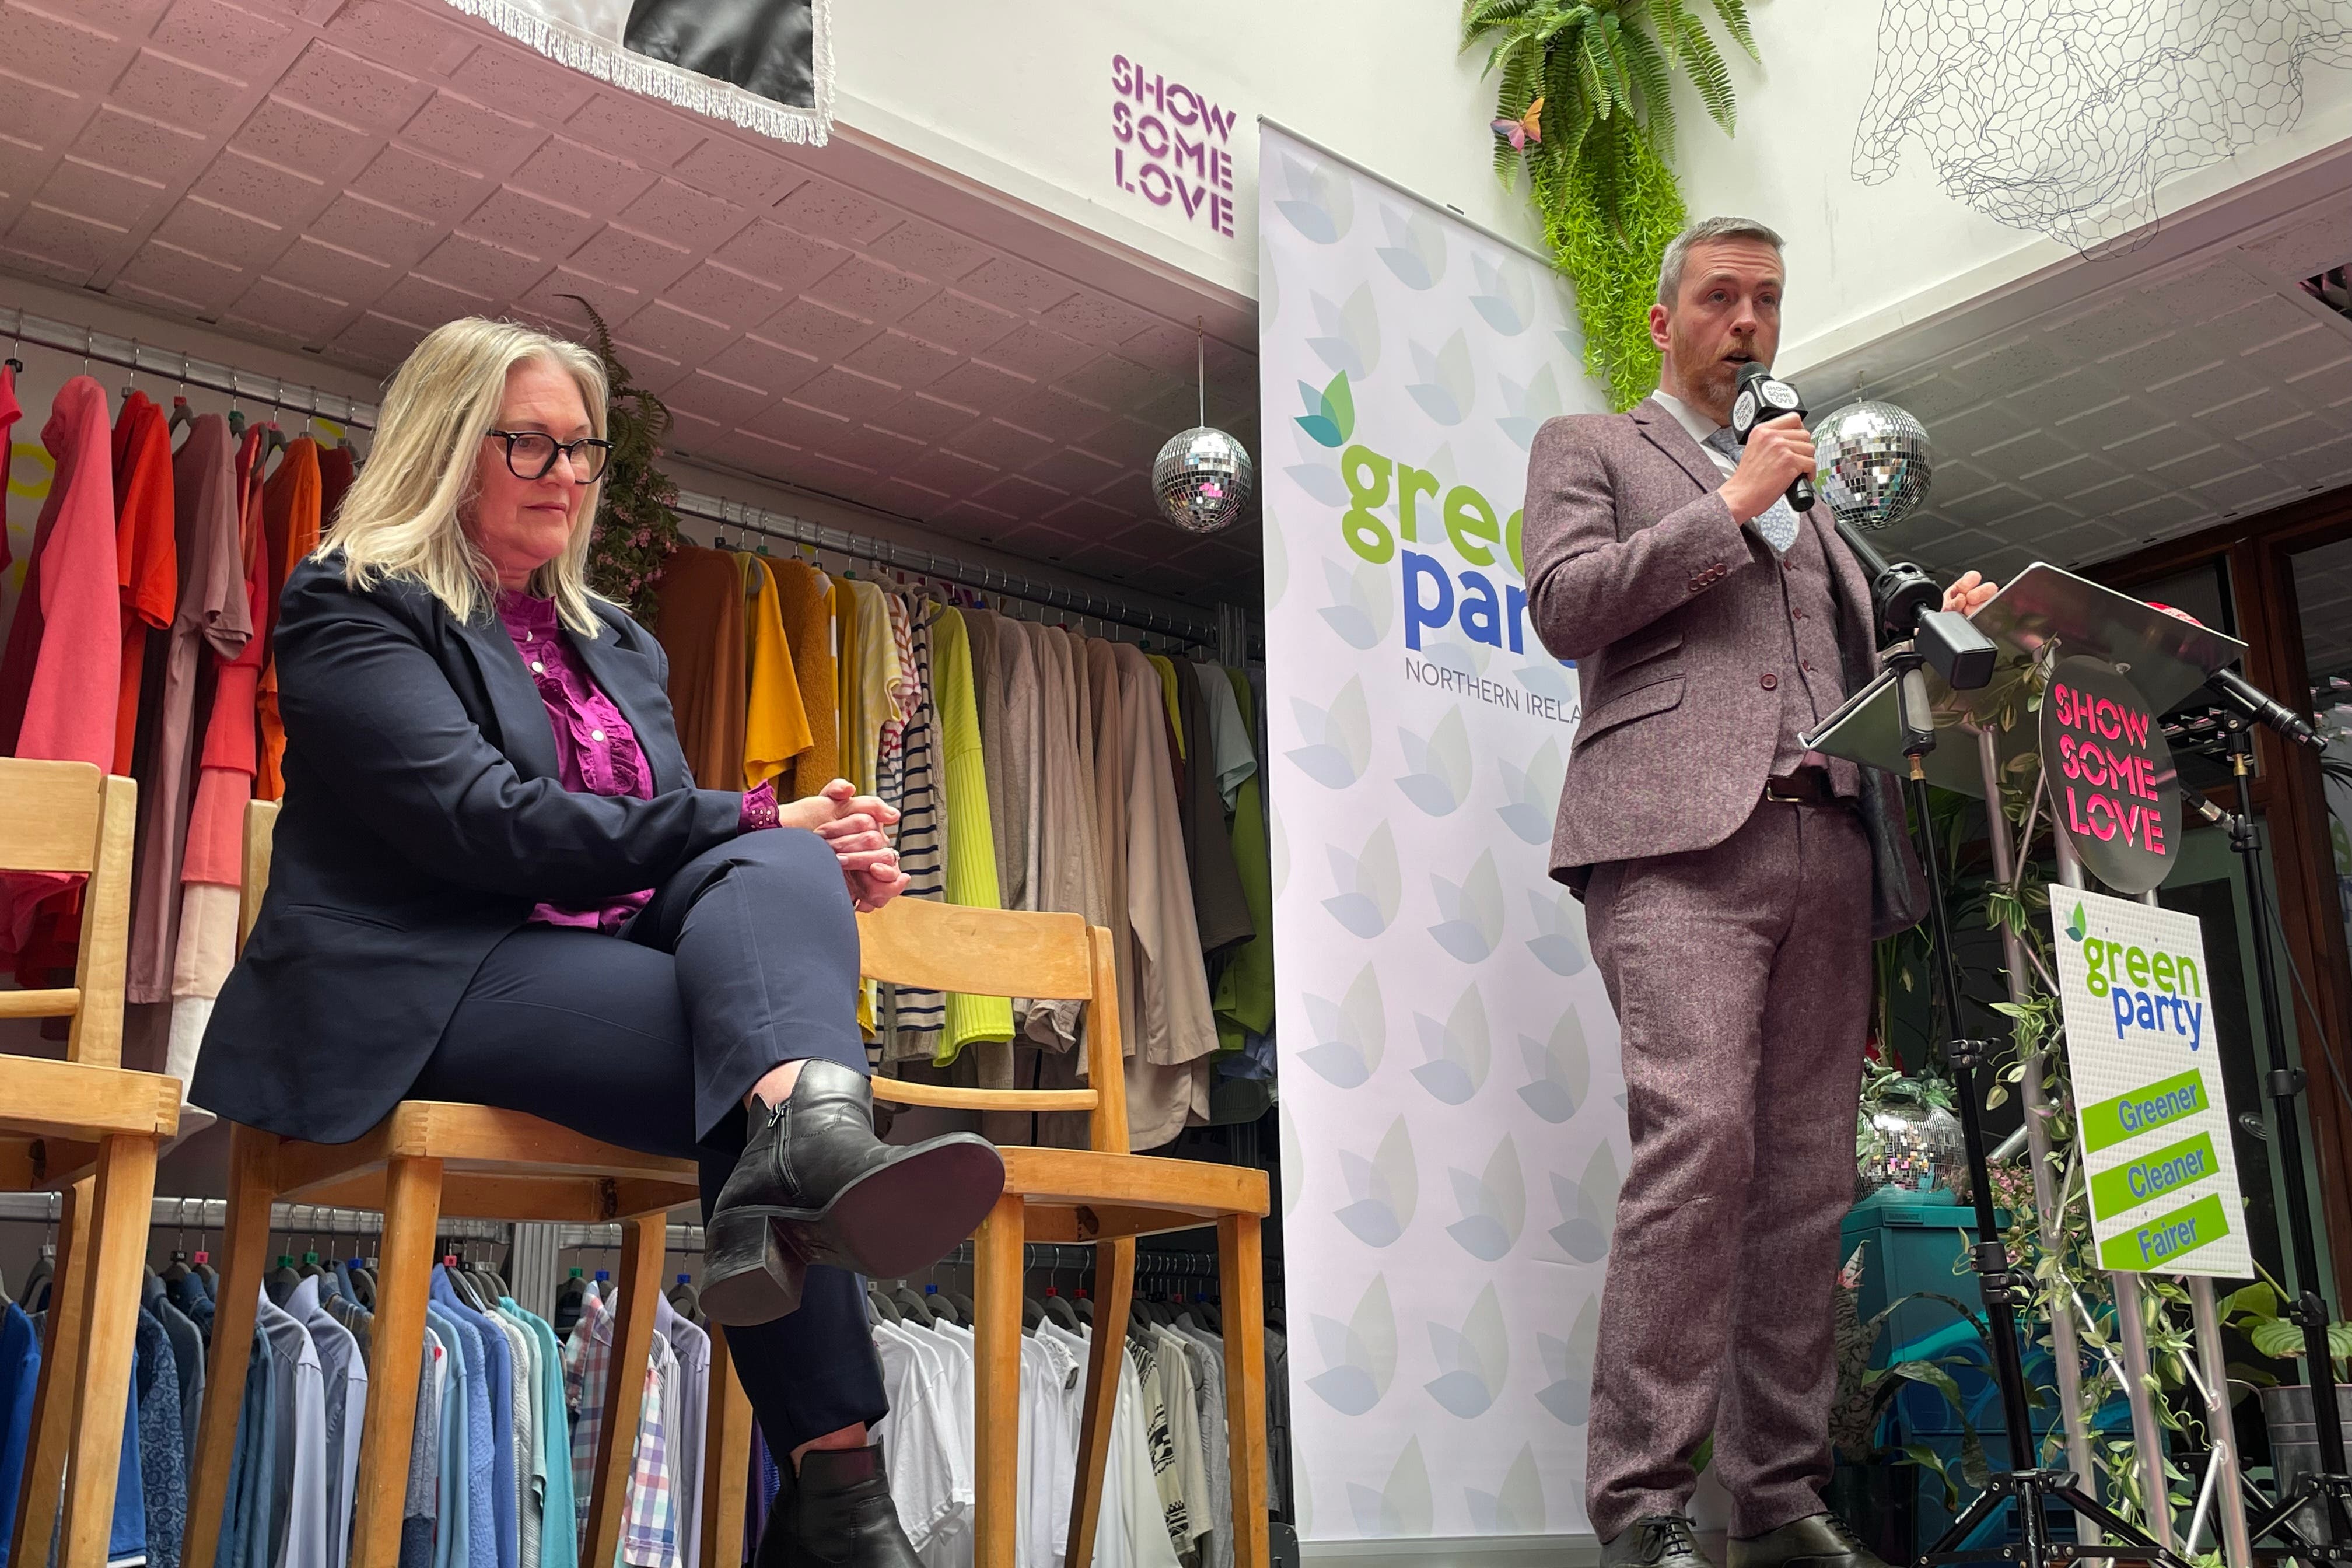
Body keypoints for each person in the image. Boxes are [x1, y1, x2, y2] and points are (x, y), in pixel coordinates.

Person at [195, 317, 1003, 1566]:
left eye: (584, 449)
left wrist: (794, 850)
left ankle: (807, 1155)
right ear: (448, 445)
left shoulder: (616, 638)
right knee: (748, 1043)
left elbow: (657, 845)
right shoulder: (354, 605)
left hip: (597, 959)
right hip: (425, 971)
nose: (567, 473)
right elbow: (485, 827)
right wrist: (749, 815)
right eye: (531, 444)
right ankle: (840, 1503)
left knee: (776, 917)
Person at [1521, 218, 2000, 1568]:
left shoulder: (1822, 507)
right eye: (1721, 298)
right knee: (1698, 1145)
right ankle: (1643, 1505)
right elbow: (1567, 604)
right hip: (1677, 847)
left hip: (1834, 845)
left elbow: (1857, 678)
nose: (1748, 322)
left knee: (1807, 1179)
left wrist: (1943, 623)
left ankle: (1779, 1495)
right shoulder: (1595, 446)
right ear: (1665, 322)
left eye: (1769, 302)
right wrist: (1730, 506)